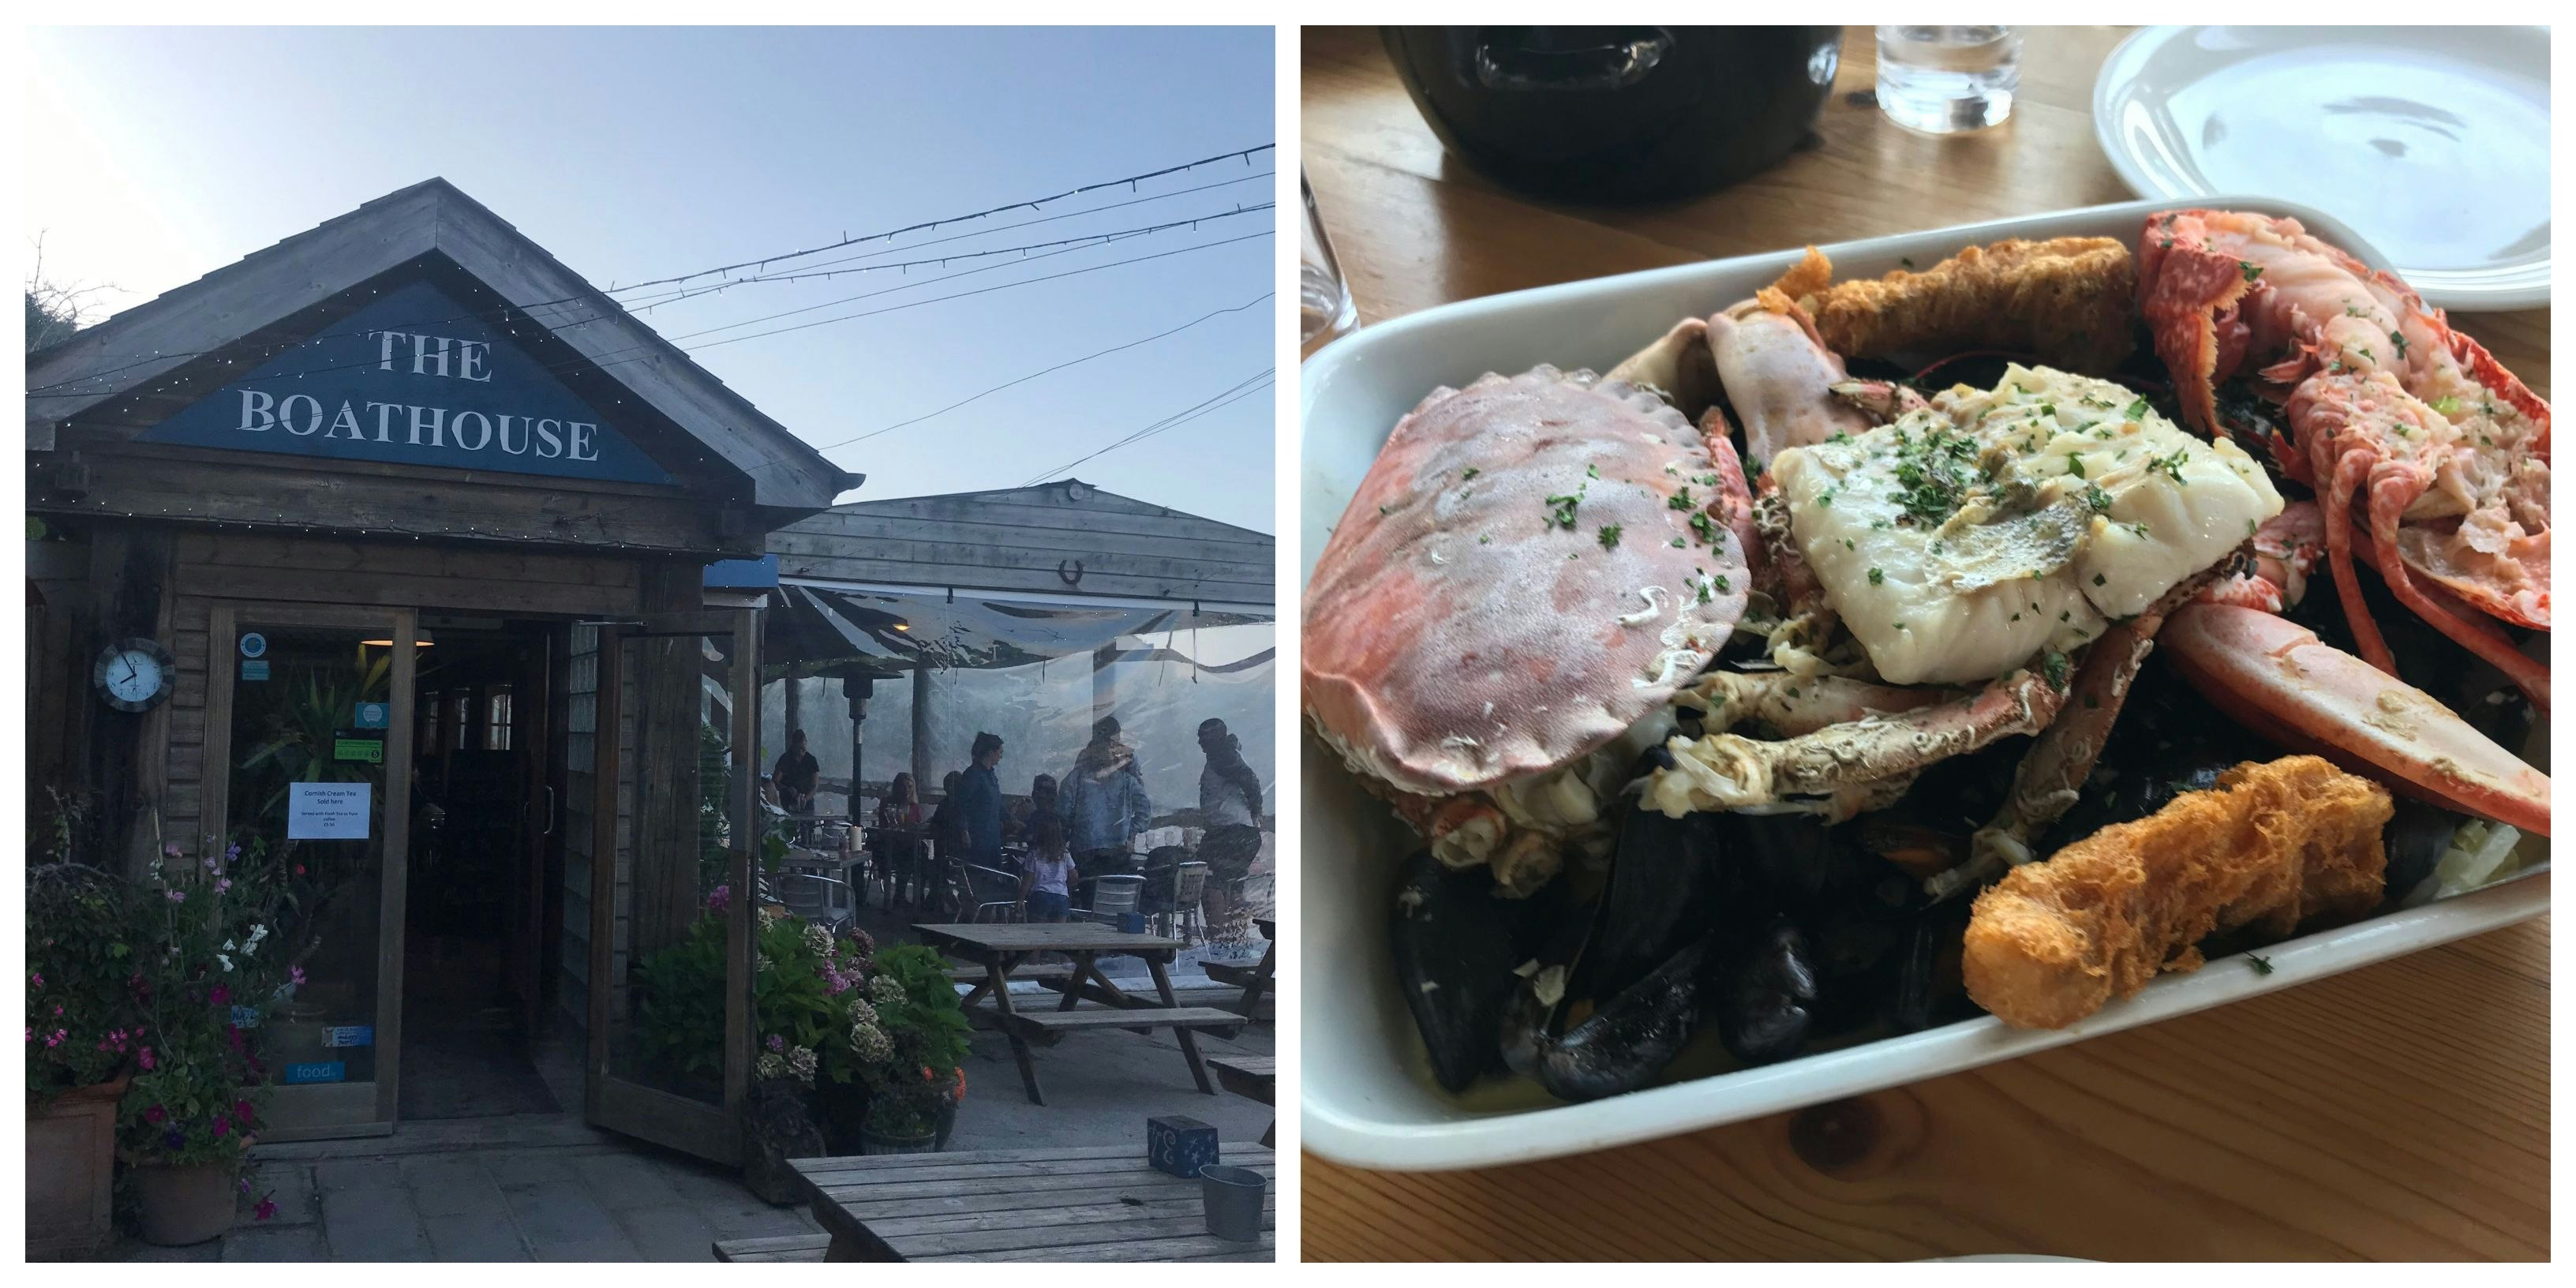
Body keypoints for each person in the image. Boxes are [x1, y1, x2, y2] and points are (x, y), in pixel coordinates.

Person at [1059, 716, 1151, 909]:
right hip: (1117, 853)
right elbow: (1145, 814)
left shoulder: (1075, 779)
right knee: (1115, 906)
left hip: (1085, 853)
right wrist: (1129, 831)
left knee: (1088, 907)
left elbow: (1063, 815)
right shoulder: (1128, 781)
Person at [1194, 717, 1265, 952]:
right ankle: (1237, 941)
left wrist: (1257, 809)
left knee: (1207, 880)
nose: (1201, 742)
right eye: (1200, 737)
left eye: (1206, 737)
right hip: (1241, 831)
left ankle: (1220, 944)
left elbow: (1250, 780)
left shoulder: (1222, 756)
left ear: (1218, 738)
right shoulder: (1227, 753)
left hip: (1228, 831)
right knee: (1233, 885)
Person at [953, 732, 1007, 865]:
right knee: (979, 874)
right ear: (990, 752)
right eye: (1000, 752)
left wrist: (1013, 820)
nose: (1001, 756)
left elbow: (998, 804)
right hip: (977, 835)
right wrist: (964, 831)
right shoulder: (973, 775)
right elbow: (961, 804)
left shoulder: (991, 776)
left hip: (992, 835)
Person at [1020, 816, 1076, 924]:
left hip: (1040, 895)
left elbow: (1027, 882)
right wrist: (1066, 884)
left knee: (1038, 934)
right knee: (1059, 935)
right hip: (1061, 896)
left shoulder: (1034, 855)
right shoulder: (1064, 854)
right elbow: (1074, 876)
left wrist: (1020, 899)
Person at [773, 729, 820, 817]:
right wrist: (788, 789)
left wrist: (806, 798)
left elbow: (815, 785)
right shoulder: (785, 759)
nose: (803, 751)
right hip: (788, 801)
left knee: (808, 827)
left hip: (807, 801)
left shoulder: (811, 760)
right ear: (794, 746)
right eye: (800, 748)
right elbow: (776, 781)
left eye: (804, 748)